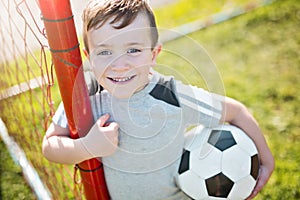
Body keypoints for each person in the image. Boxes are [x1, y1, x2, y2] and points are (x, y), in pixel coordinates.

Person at [42, 0, 274, 199]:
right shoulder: (86, 94)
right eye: (104, 52)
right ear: (88, 56)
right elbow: (50, 146)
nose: (119, 65)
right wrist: (87, 146)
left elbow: (236, 112)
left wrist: (266, 160)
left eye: (133, 50)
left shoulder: (171, 95)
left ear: (153, 54)